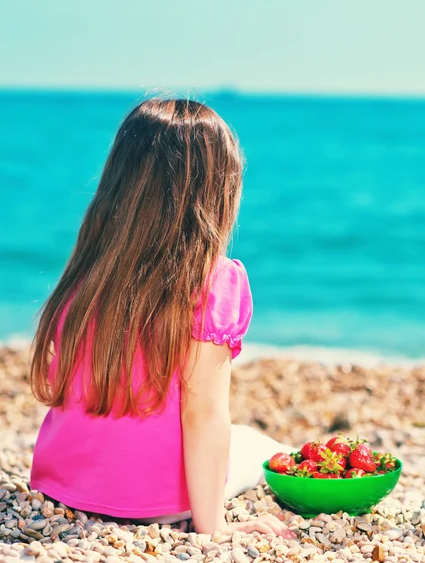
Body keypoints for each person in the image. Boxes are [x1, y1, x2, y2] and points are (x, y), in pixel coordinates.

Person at [29, 97, 296, 539]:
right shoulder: (214, 282)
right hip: (156, 502)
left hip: (62, 489)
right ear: (217, 191)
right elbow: (204, 415)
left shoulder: (89, 272)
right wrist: (213, 529)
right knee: (262, 448)